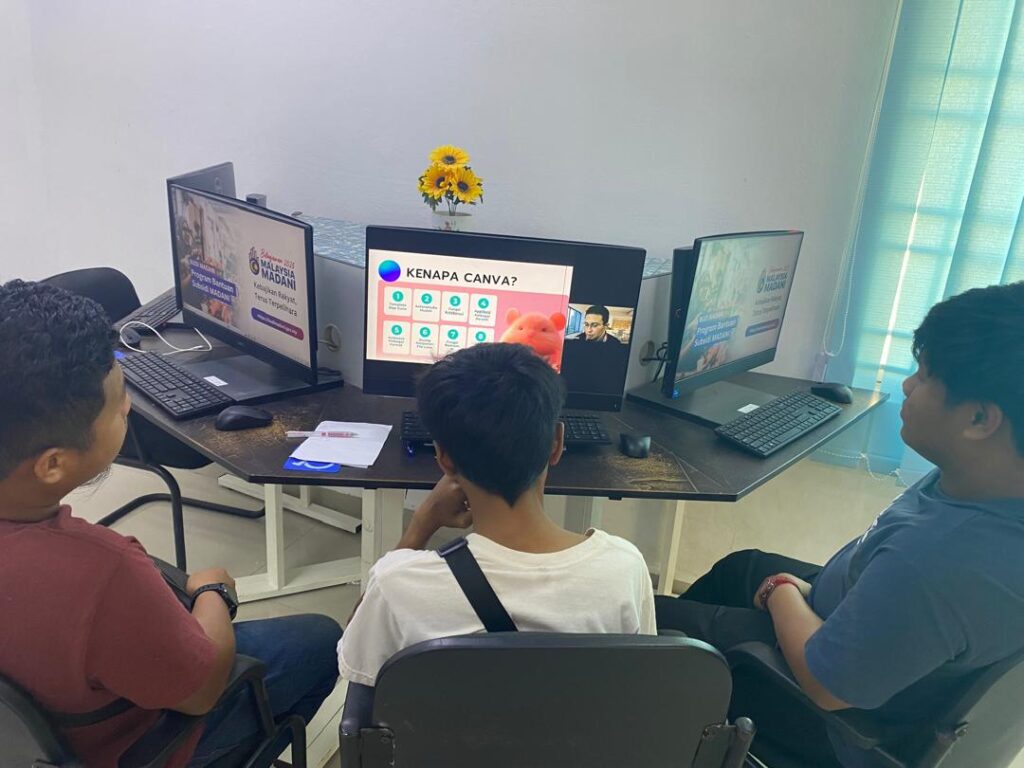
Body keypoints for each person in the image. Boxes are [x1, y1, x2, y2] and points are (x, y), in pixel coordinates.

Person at [655, 281, 1024, 767]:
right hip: (862, 626)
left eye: (924, 376)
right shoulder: (983, 481)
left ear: (979, 419)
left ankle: (644, 708)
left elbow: (825, 686)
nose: (908, 386)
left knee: (651, 627)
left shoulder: (941, 561)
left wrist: (781, 592)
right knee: (739, 567)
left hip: (826, 717)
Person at [0, 280, 341, 768]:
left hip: (32, 730)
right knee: (320, 639)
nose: (127, 406)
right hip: (132, 746)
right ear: (53, 464)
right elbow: (202, 691)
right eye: (118, 401)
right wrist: (213, 593)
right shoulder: (104, 572)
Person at [339, 342, 655, 686]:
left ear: (444, 458)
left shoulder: (398, 584)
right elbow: (638, 683)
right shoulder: (624, 569)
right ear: (557, 443)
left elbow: (356, 663)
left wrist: (422, 523)